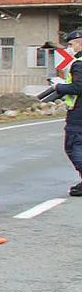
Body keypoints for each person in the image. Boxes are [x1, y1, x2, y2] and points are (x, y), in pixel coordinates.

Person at [51, 29, 82, 196]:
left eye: (71, 45)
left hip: (79, 112)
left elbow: (78, 87)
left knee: (74, 147)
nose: (69, 48)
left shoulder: (79, 63)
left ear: (80, 43)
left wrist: (59, 87)